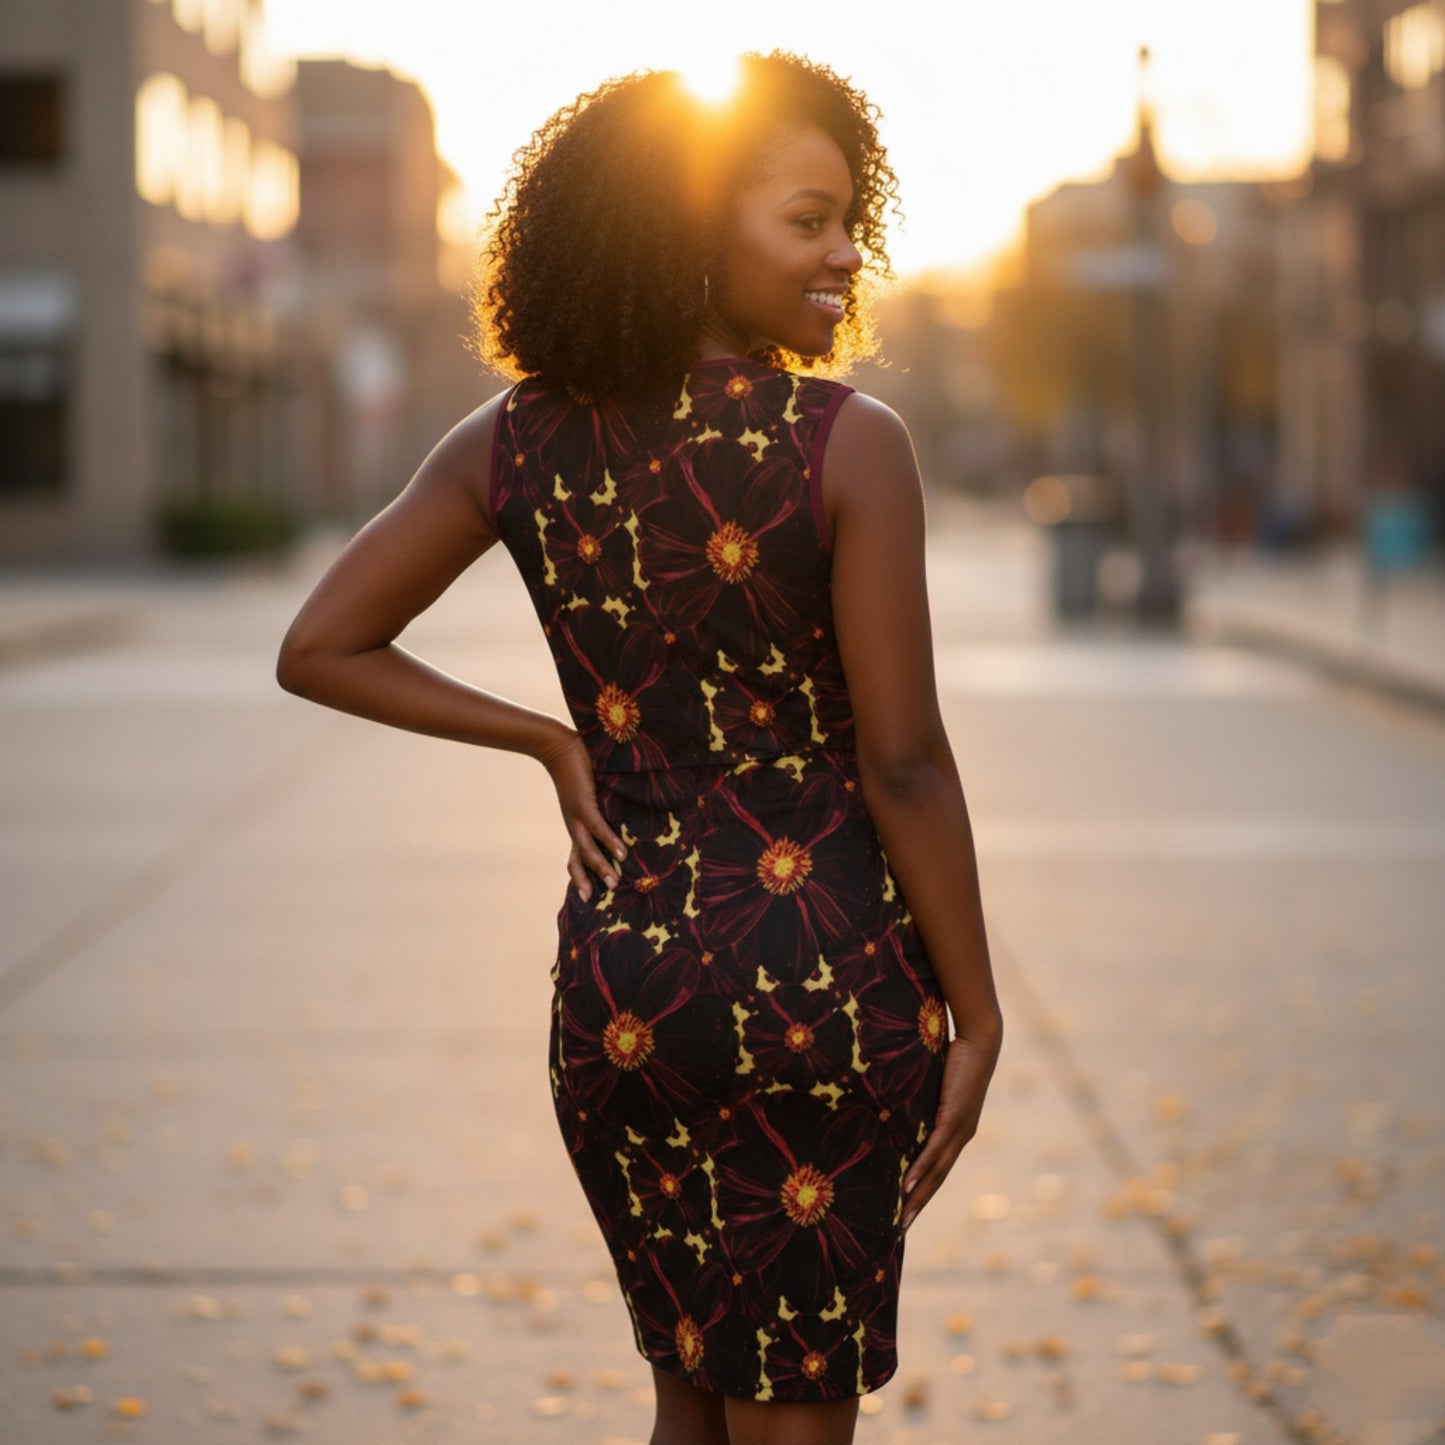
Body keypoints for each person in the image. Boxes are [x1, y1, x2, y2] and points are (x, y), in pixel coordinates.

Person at [276, 50, 1002, 1445]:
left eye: (851, 218)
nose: (846, 252)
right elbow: (903, 763)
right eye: (807, 219)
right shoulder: (847, 446)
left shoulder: (512, 442)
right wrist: (977, 1009)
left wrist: (551, 740)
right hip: (821, 988)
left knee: (685, 1404)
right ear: (689, 234)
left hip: (626, 990)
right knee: (789, 1415)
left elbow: (321, 643)